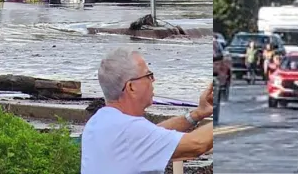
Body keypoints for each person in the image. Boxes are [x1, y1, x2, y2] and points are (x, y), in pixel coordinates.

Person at [80, 47, 213, 174]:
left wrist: (197, 114)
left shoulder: (98, 121)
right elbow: (197, 144)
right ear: (131, 87)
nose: (153, 80)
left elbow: (152, 134)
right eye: (148, 75)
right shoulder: (130, 130)